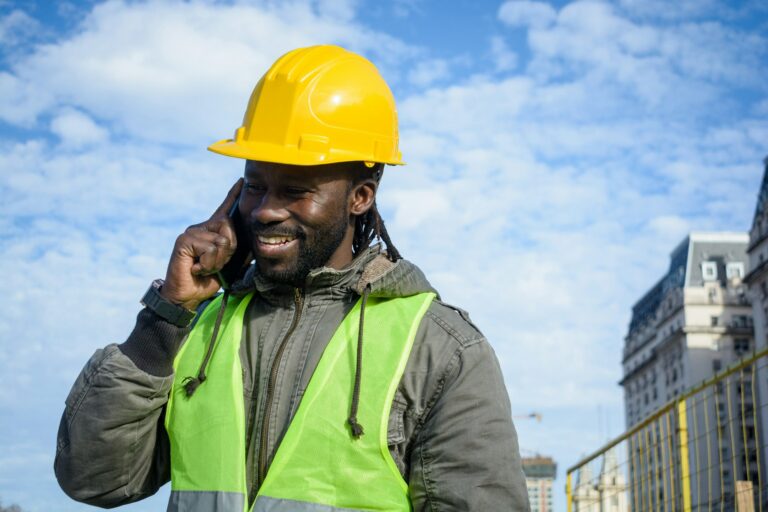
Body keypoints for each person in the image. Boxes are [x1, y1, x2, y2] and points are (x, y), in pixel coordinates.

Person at [55, 45, 530, 511]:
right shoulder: (196, 324)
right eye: (255, 185)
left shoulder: (440, 348)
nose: (265, 211)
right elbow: (96, 481)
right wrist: (164, 318)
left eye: (296, 191)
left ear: (360, 196)